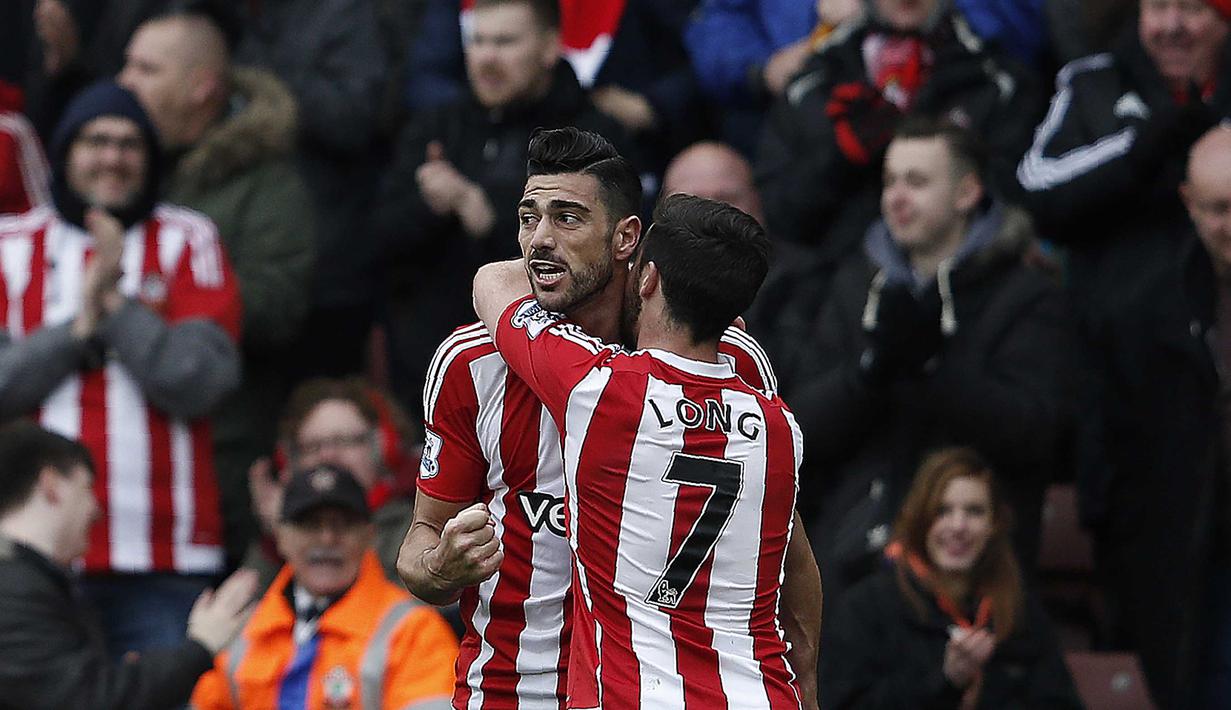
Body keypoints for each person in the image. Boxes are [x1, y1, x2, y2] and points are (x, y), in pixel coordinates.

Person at [399, 127, 820, 708]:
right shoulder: (472, 362)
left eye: (567, 218)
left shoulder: (726, 360)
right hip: (516, 691)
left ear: (627, 239)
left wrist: (809, 675)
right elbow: (419, 545)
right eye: (528, 218)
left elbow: (782, 547)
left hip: (658, 688)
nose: (539, 240)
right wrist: (441, 567)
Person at [786, 117, 1068, 612]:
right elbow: (799, 429)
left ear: (967, 192)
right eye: (890, 181)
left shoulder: (1025, 294)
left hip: (976, 566)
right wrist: (869, 373)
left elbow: (1034, 431)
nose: (896, 197)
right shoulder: (856, 287)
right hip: (857, 557)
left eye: (917, 182)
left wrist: (936, 370)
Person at [0, 81, 242, 656]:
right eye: (95, 140)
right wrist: (77, 330)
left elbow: (203, 380)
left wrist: (113, 305)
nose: (112, 156)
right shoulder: (8, 246)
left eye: (129, 143)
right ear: (64, 153)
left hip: (164, 557)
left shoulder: (189, 239)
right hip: (29, 554)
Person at [119, 10, 317, 566]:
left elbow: (279, 303)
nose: (125, 81)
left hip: (219, 445)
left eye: (145, 69)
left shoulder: (266, 182)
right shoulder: (124, 163)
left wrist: (164, 300)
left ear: (200, 86)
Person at [373, 0, 632, 420]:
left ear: (550, 48)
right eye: (478, 41)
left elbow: (612, 256)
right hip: (434, 368)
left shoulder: (595, 137)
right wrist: (432, 205)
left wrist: (485, 214)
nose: (487, 56)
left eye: (506, 41)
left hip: (560, 376)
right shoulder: (434, 126)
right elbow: (378, 236)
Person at [1073, 125, 1231, 709]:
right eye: (1218, 209)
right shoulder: (1142, 303)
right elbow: (1107, 431)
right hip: (1181, 547)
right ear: (1189, 202)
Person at [0, 421, 257, 710]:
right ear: (51, 486)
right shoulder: (12, 591)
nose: (96, 510)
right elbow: (86, 700)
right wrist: (201, 646)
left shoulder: (26, 581)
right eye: (86, 488)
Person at [1015, 0, 1231, 344]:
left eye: (1192, 9)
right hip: (1114, 348)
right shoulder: (1092, 83)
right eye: (1158, 8)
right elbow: (1038, 189)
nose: (1172, 26)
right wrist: (1138, 151)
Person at [756, 0, 1041, 252]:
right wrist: (839, 156)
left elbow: (1013, 201)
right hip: (835, 290)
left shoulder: (996, 81)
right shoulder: (813, 83)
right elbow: (780, 217)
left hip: (965, 278)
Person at [820, 447, 1082, 709]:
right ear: (920, 520)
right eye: (942, 511)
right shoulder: (867, 608)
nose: (958, 526)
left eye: (975, 511)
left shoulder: (1018, 610)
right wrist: (945, 680)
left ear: (994, 524)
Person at [191, 464, 458, 709]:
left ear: (369, 536)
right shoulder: (241, 628)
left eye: (342, 525)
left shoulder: (414, 630)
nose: (327, 539)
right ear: (281, 537)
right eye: (309, 525)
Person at [234, 0, 388, 378]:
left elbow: (352, 120)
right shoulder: (224, 17)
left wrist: (268, 77)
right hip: (245, 263)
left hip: (328, 270)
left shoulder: (343, 15)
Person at [247, 377, 418, 588]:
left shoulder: (416, 528)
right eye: (312, 446)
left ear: (384, 449)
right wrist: (279, 537)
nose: (328, 455)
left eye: (345, 441)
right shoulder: (278, 537)